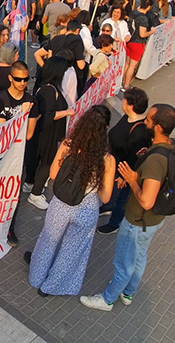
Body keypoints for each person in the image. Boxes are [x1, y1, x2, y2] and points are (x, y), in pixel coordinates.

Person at [81, 103, 175, 311]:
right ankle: (128, 292)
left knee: (124, 262)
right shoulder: (169, 146)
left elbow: (147, 200)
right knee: (139, 256)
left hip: (137, 221)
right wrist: (133, 178)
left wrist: (133, 180)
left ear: (158, 127)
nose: (145, 123)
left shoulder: (155, 162)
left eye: (149, 120)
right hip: (152, 221)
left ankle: (108, 299)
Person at [26, 105, 116, 297]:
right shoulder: (107, 159)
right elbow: (106, 197)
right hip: (87, 208)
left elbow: (52, 174)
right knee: (72, 250)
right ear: (106, 128)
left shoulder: (69, 145)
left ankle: (36, 275)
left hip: (61, 203)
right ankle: (50, 287)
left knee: (48, 240)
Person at [98, 88, 152, 235]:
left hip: (123, 171)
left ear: (131, 106)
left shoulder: (139, 131)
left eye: (125, 100)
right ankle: (107, 205)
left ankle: (115, 222)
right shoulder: (128, 117)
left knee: (121, 197)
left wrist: (123, 176)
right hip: (114, 164)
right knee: (110, 190)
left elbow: (135, 157)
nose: (122, 101)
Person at [27, 56, 75, 209]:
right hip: (47, 134)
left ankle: (31, 184)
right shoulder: (50, 90)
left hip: (45, 133)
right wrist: (67, 112)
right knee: (46, 163)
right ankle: (35, 194)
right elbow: (48, 115)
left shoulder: (46, 87)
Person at [124, 0, 157, 91]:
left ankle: (123, 82)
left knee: (127, 63)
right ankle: (127, 84)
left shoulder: (133, 13)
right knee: (132, 66)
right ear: (149, 7)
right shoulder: (143, 18)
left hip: (129, 40)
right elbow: (143, 34)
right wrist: (151, 32)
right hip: (138, 43)